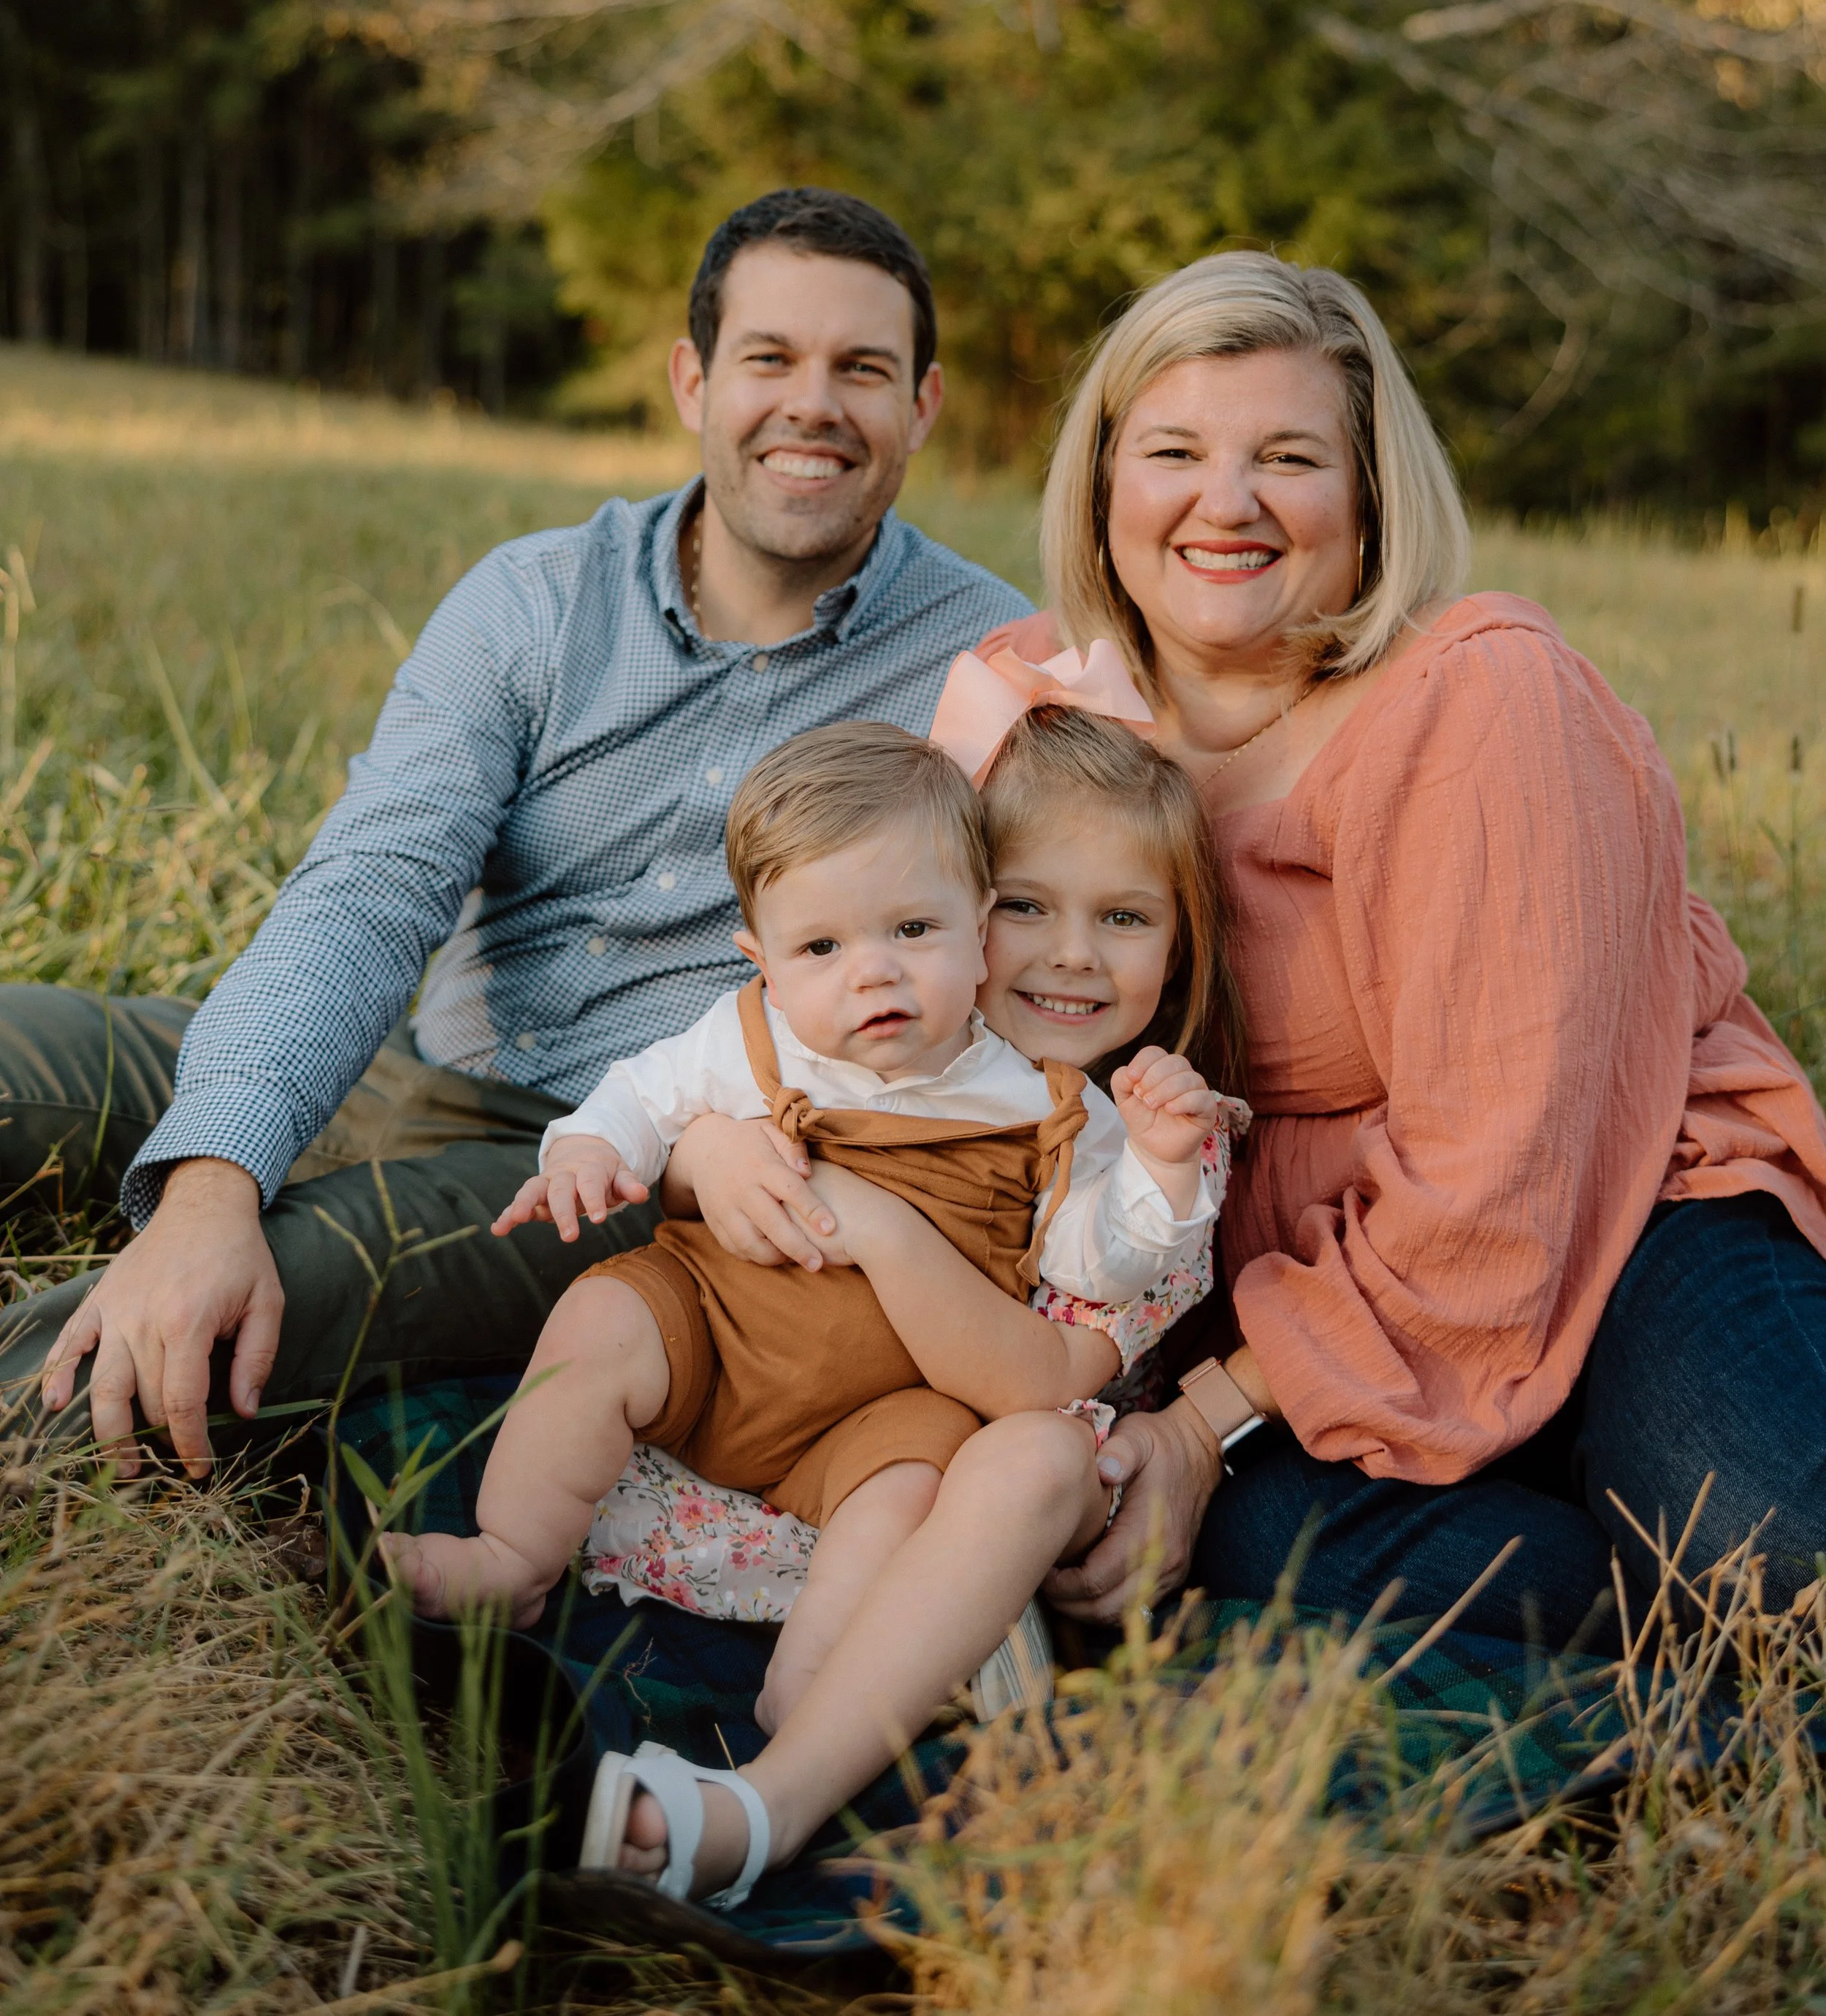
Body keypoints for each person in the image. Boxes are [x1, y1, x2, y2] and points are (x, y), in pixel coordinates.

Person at [0, 190, 1031, 1475]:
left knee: (263, 1285)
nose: (812, 404)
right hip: (400, 1059)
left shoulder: (982, 669)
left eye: (862, 369)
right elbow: (372, 887)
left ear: (923, 405)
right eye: (770, 358)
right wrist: (213, 1180)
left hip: (609, 1170)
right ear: (692, 380)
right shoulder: (538, 597)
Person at [999, 251, 1826, 1652]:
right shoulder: (1040, 721)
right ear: (1103, 484)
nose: (1228, 501)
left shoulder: (1477, 701)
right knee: (1256, 1537)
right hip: (1319, 1330)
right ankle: (1643, 1596)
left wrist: (1201, 1421)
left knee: (1771, 1548)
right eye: (1177, 450)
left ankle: (1671, 1523)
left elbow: (1505, 1184)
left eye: (1289, 456)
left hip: (1616, 1227)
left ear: (1372, 496)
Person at [389, 710, 1232, 1908]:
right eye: (1032, 910)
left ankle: (799, 1707)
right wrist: (599, 1147)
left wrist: (1156, 1167)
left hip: (894, 1409)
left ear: (957, 919)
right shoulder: (771, 1033)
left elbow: (1101, 1262)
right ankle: (513, 1557)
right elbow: (649, 1091)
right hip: (720, 1331)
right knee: (597, 1322)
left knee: (901, 1495)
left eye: (1125, 918)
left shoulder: (1059, 1109)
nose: (1068, 957)